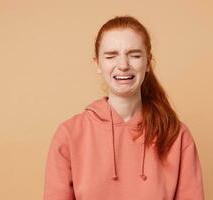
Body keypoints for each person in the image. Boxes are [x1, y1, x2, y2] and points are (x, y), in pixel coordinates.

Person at [43, 15, 204, 200]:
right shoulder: (69, 134)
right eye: (111, 56)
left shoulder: (177, 135)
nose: (123, 65)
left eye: (134, 55)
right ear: (97, 63)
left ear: (148, 63)